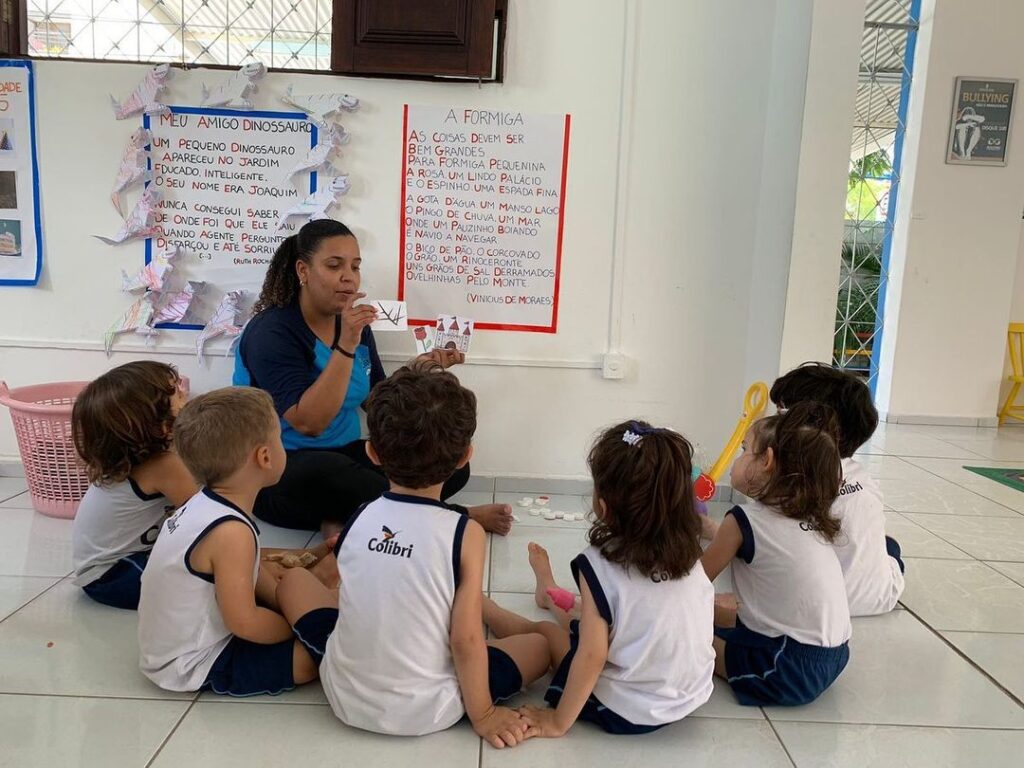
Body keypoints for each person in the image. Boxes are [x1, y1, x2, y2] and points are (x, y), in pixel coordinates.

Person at [278, 363, 543, 747]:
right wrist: (483, 715)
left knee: (296, 580)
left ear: (371, 452)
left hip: (343, 694)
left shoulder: (359, 516)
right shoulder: (465, 532)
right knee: (540, 644)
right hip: (429, 707)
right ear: (464, 457)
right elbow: (466, 640)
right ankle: (490, 616)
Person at [233, 218, 511, 537]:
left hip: (347, 455)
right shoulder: (273, 331)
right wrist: (346, 345)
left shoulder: (354, 325)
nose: (348, 278)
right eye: (335, 265)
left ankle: (346, 516)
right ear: (303, 271)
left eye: (355, 267)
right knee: (333, 474)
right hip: (279, 468)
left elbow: (377, 401)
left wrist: (416, 371)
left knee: (448, 463)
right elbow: (310, 423)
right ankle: (458, 516)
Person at [489, 421, 715, 736]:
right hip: (690, 696)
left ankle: (501, 606)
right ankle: (549, 592)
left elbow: (593, 655)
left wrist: (556, 721)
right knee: (595, 617)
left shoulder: (597, 564)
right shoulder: (691, 552)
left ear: (604, 506)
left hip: (629, 710)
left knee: (550, 635)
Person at [137, 388, 336, 696]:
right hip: (192, 662)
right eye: (279, 438)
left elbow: (254, 575)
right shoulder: (231, 532)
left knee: (289, 588)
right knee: (306, 662)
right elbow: (244, 623)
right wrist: (296, 628)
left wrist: (287, 599)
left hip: (171, 645)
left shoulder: (205, 503)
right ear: (265, 457)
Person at [701, 402, 851, 707]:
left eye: (745, 450)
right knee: (717, 613)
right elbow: (759, 548)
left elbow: (694, 579)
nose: (739, 458)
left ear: (767, 460)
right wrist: (706, 527)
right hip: (833, 656)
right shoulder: (810, 517)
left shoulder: (743, 520)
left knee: (682, 632)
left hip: (782, 667)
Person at [771, 362, 904, 616]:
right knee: (889, 546)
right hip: (878, 598)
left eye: (780, 414)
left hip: (820, 604)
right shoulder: (863, 478)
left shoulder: (791, 479)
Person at [71, 361, 196, 609]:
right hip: (112, 575)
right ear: (161, 428)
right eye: (178, 394)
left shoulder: (136, 460)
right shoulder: (164, 465)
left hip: (124, 563)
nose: (186, 395)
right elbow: (212, 518)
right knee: (210, 577)